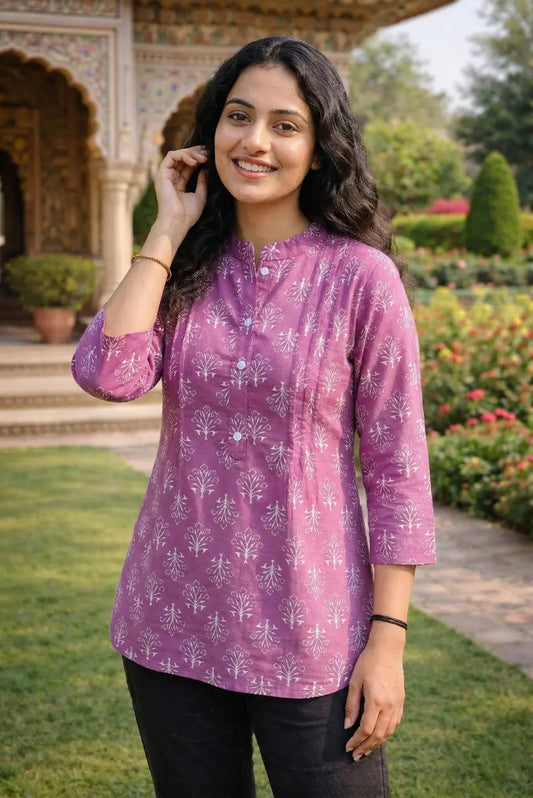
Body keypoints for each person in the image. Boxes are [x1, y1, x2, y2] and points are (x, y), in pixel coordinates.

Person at [72, 35, 436, 798]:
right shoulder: (186, 270)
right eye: (238, 117)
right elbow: (108, 375)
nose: (255, 142)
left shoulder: (360, 279)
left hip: (312, 637)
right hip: (169, 620)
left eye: (284, 124)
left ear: (317, 145)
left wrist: (388, 642)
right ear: (212, 131)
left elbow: (398, 470)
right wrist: (168, 229)